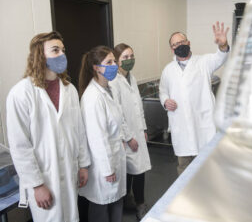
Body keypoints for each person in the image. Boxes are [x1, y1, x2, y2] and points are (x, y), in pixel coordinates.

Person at [6, 31, 91, 222]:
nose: (62, 54)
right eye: (55, 50)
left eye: (62, 50)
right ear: (39, 55)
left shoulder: (69, 89)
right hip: (45, 178)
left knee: (71, 217)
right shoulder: (21, 93)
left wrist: (83, 164)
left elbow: (79, 131)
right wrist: (37, 185)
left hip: (70, 172)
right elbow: (20, 146)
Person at [159, 21, 230, 175]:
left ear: (188, 42)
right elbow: (162, 91)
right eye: (175, 44)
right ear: (171, 48)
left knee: (207, 168)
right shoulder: (168, 70)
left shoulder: (204, 62)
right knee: (184, 169)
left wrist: (223, 45)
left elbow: (221, 57)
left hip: (203, 126)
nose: (179, 45)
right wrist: (165, 101)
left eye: (182, 42)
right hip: (181, 128)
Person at [78, 46, 129, 222]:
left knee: (115, 203)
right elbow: (97, 138)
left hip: (114, 157)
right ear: (96, 67)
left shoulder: (109, 90)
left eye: (114, 61)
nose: (114, 65)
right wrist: (107, 169)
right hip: (103, 166)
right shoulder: (93, 97)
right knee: (101, 208)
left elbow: (117, 121)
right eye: (109, 62)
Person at [110, 43, 151, 220]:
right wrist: (128, 137)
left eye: (131, 56)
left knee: (137, 169)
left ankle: (134, 202)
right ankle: (137, 204)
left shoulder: (131, 78)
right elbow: (118, 113)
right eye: (125, 57)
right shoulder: (114, 81)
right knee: (132, 170)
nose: (129, 60)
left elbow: (138, 106)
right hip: (125, 136)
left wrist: (143, 129)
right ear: (117, 61)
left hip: (137, 132)